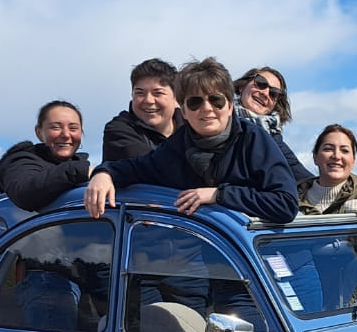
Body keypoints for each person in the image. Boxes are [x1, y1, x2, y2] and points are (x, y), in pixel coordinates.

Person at [83, 57, 299, 224]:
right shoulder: (175, 148)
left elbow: (286, 204)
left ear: (230, 106)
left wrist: (219, 194)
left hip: (268, 259)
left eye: (216, 100)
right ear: (184, 111)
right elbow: (134, 168)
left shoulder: (253, 140)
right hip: (211, 260)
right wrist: (104, 174)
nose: (206, 108)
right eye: (195, 102)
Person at [0, 100, 92, 212]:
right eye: (56, 127)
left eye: (73, 128)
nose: (65, 134)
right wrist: (80, 171)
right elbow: (24, 194)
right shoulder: (23, 162)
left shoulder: (80, 166)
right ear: (39, 133)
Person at [235, 65, 313, 181]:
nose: (265, 93)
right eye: (260, 83)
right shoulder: (216, 121)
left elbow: (304, 179)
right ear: (242, 86)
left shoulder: (273, 139)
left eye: (273, 93)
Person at [102, 58, 182, 162]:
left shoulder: (192, 126)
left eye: (158, 93)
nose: (148, 100)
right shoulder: (118, 130)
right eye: (140, 93)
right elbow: (153, 167)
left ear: (176, 97)